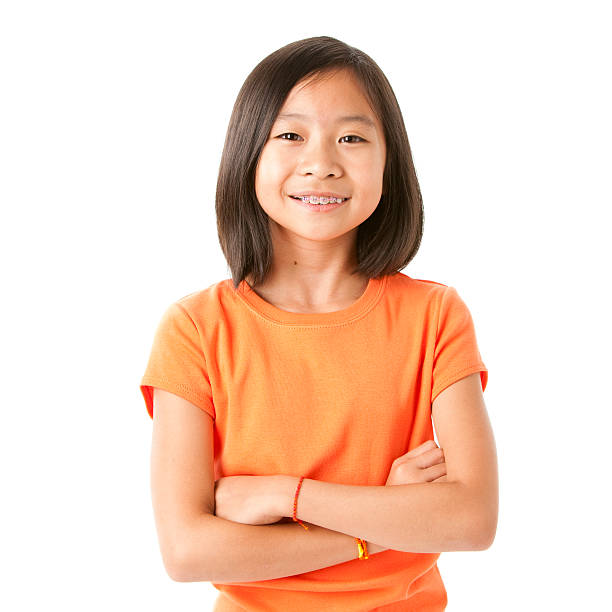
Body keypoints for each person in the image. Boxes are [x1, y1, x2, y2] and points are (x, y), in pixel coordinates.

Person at [140, 35, 498, 612]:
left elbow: (470, 520)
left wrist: (286, 496)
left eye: (352, 137)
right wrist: (383, 520)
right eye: (290, 135)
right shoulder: (196, 329)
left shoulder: (435, 316)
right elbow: (188, 551)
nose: (322, 163)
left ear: (391, 162)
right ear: (247, 154)